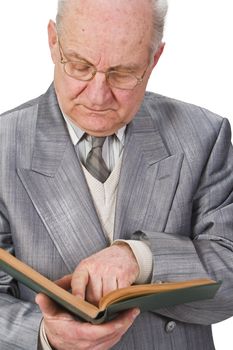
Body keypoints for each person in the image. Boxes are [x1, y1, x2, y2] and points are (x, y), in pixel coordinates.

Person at [0, 0, 233, 349]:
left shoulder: (205, 135)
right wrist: (43, 334)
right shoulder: (4, 146)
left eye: (122, 73)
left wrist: (141, 259)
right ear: (53, 42)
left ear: (154, 60)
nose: (98, 95)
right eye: (79, 66)